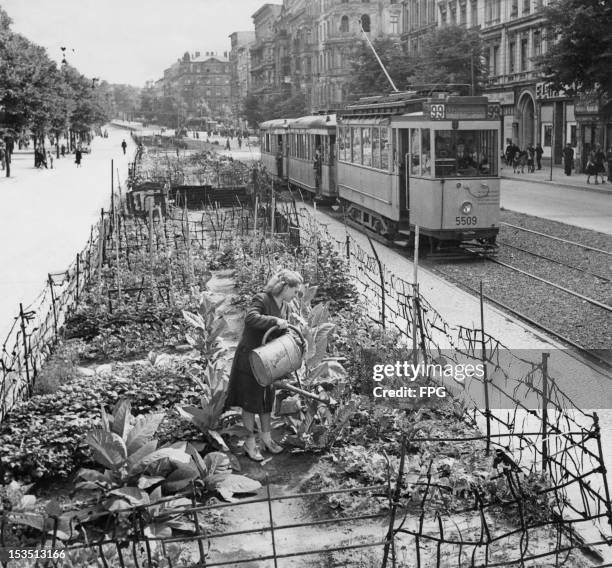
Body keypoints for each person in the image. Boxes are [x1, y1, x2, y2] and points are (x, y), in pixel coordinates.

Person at [226, 269, 304, 461]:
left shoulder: (285, 306)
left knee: (266, 400)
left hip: (269, 360)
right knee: (250, 403)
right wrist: (274, 320)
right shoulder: (262, 299)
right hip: (251, 358)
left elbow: (282, 333)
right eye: (294, 291)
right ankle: (250, 443)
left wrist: (295, 339)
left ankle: (267, 439)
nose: (296, 295)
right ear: (284, 287)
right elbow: (250, 318)